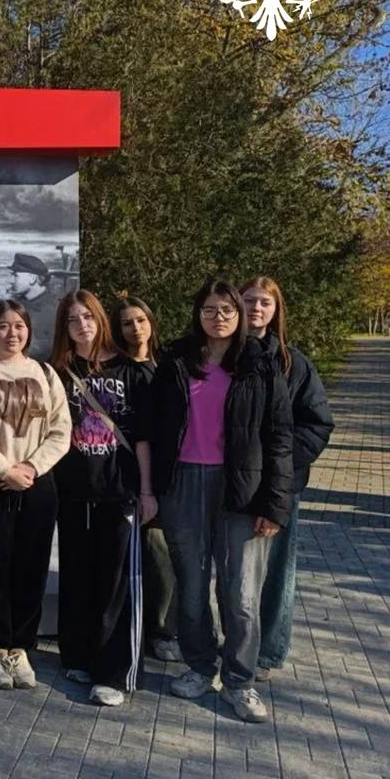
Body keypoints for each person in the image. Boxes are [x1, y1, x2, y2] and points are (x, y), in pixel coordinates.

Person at [149, 279, 292, 723]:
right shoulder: (176, 360)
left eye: (227, 310)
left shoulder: (259, 364)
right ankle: (199, 666)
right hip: (183, 485)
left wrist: (274, 504)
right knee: (191, 587)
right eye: (209, 309)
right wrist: (151, 488)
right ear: (198, 314)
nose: (219, 318)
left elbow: (280, 437)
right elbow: (153, 427)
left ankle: (239, 681)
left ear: (239, 315)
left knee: (242, 593)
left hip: (241, 490)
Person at [0, 299, 71, 690]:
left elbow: (61, 430)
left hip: (37, 482)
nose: (12, 333)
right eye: (3, 326)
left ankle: (20, 646)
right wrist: (5, 469)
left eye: (18, 325)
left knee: (31, 566)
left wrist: (30, 468)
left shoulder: (45, 373)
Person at [50, 290, 155, 707]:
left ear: (100, 320)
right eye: (73, 319)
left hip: (119, 490)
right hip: (73, 490)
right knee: (77, 574)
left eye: (88, 317)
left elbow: (144, 437)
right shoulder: (57, 371)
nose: (82, 325)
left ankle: (114, 671)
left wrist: (146, 491)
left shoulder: (131, 370)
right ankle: (78, 654)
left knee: (117, 583)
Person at [240, 276, 333, 678]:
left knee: (276, 572)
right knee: (230, 572)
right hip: (229, 482)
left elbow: (317, 424)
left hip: (279, 485)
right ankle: (226, 643)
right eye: (249, 300)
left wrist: (276, 463)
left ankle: (267, 651)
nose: (256, 308)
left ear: (276, 310)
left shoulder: (294, 364)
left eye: (265, 302)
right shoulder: (221, 357)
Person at [112, 297, 181, 664]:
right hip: (128, 473)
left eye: (140, 320)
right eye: (127, 323)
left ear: (151, 322)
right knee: (146, 554)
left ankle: (166, 628)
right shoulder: (115, 369)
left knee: (165, 555)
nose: (135, 328)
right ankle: (148, 629)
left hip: (170, 472)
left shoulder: (170, 364)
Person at [7, 253, 58, 361]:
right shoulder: (14, 306)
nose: (11, 281)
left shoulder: (55, 310)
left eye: (16, 276)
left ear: (32, 279)